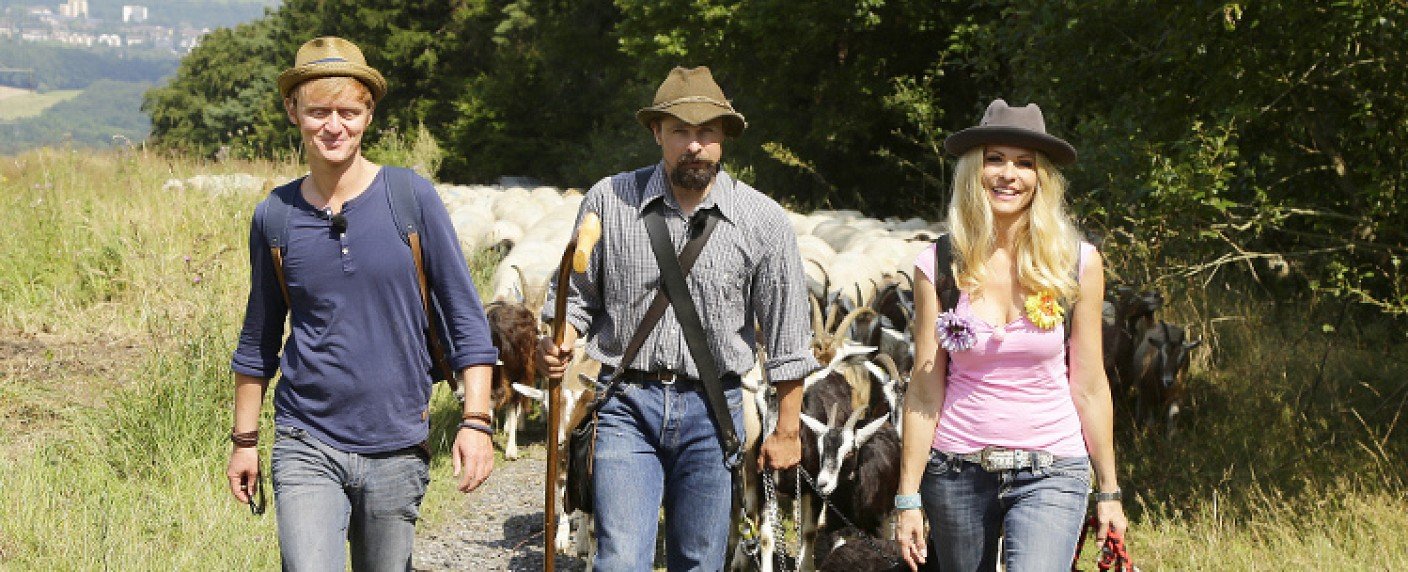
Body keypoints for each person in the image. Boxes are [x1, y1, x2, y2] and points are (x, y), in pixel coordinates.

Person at [225, 36, 499, 570]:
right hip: (306, 438)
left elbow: (466, 319)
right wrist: (245, 440)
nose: (334, 126)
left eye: (348, 111)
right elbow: (258, 337)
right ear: (293, 111)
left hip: (397, 442)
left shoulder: (410, 198)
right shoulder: (275, 216)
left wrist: (477, 421)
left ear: (368, 114)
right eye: (318, 111)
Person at [538, 66, 819, 571]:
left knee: (700, 561)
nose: (695, 146)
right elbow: (575, 298)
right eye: (680, 132)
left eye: (707, 132)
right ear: (656, 133)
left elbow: (788, 337)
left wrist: (787, 429)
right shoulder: (608, 202)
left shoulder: (764, 221)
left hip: (714, 413)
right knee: (620, 560)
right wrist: (561, 338)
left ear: (725, 138)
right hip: (626, 404)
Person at [894, 99, 1129, 571]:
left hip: (1053, 467)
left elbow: (1089, 384)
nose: (1009, 174)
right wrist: (908, 497)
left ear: (1042, 178)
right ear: (972, 171)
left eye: (1024, 163)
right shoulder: (937, 265)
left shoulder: (1076, 263)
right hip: (956, 469)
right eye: (995, 159)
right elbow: (923, 389)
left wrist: (1109, 491)